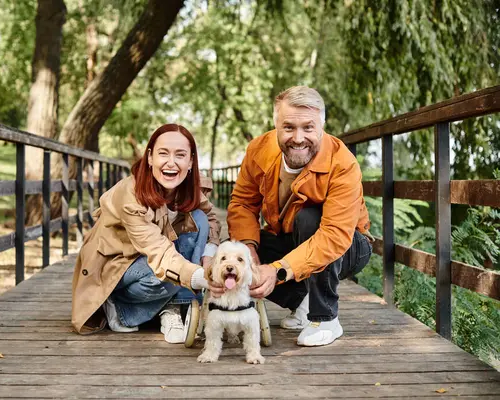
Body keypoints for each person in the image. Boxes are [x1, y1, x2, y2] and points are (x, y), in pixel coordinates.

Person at [216, 86, 373, 347]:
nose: (298, 138)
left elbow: (334, 235)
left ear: (322, 126)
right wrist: (250, 250)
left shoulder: (342, 163)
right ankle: (301, 303)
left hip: (349, 246)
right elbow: (243, 204)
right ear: (276, 125)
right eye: (289, 127)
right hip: (290, 237)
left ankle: (325, 318)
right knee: (238, 249)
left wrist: (277, 271)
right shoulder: (258, 150)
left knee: (309, 218)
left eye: (308, 128)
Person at [72, 123, 221, 344]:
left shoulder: (187, 188)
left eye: (180, 155)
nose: (171, 162)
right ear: (150, 157)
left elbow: (211, 219)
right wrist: (202, 278)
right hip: (119, 264)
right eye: (163, 153)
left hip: (159, 255)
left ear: (190, 161)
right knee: (163, 276)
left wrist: (209, 256)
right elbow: (157, 251)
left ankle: (176, 307)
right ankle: (120, 308)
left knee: (198, 218)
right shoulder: (130, 194)